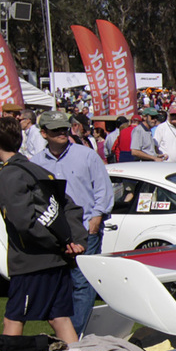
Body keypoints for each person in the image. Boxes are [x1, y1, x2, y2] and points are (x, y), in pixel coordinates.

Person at [0, 115, 84, 344]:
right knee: (60, 318)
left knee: (13, 319)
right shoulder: (37, 169)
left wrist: (63, 243)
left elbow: (23, 223)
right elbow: (71, 207)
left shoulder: (9, 174)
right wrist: (75, 240)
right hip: (56, 260)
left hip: (32, 261)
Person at [32, 110, 114, 337]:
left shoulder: (86, 155)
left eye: (64, 129)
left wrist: (96, 220)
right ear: (43, 133)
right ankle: (66, 333)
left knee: (81, 284)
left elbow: (103, 190)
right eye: (56, 130)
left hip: (85, 230)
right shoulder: (36, 163)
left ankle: (75, 336)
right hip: (52, 234)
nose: (61, 133)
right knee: (55, 284)